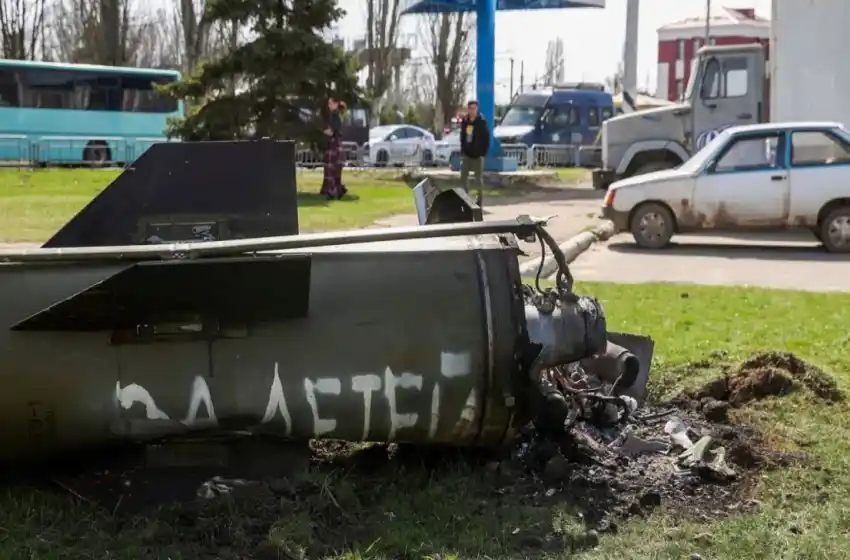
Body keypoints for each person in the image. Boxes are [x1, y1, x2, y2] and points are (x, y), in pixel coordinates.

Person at [459, 100, 490, 206]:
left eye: (474, 108)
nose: (472, 111)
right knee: (463, 177)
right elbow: (462, 137)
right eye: (470, 108)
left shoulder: (481, 122)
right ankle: (465, 198)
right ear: (468, 109)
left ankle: (479, 199)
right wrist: (463, 150)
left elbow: (486, 138)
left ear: (477, 109)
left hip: (478, 156)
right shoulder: (465, 122)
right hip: (467, 155)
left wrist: (482, 152)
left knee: (478, 179)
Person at [320, 97, 347, 200]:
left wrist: (322, 131)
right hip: (336, 144)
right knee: (335, 169)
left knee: (331, 169)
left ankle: (332, 191)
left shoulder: (335, 117)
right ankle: (337, 190)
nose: (329, 105)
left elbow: (331, 132)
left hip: (334, 143)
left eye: (330, 103)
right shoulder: (337, 116)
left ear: (336, 104)